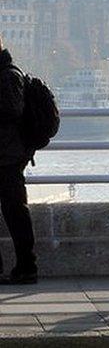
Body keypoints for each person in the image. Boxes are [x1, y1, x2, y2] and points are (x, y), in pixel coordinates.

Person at [0, 35, 37, 285]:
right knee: (14, 212)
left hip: (8, 157)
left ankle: (26, 267)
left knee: (16, 213)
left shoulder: (8, 76)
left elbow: (12, 111)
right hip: (7, 154)